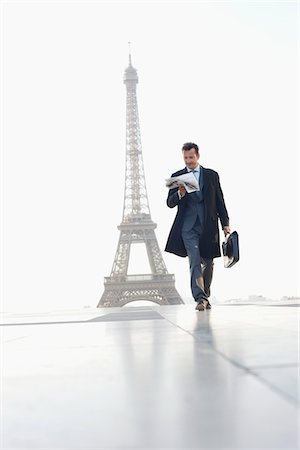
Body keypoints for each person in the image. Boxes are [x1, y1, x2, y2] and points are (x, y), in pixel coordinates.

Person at [165, 142, 230, 311]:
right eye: (185, 158)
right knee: (194, 261)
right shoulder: (177, 176)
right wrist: (180, 193)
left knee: (208, 263)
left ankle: (205, 295)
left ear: (198, 156)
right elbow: (169, 203)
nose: (188, 161)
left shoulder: (211, 175)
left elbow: (219, 200)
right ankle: (200, 298)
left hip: (208, 226)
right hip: (188, 227)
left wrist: (225, 224)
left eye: (191, 157)